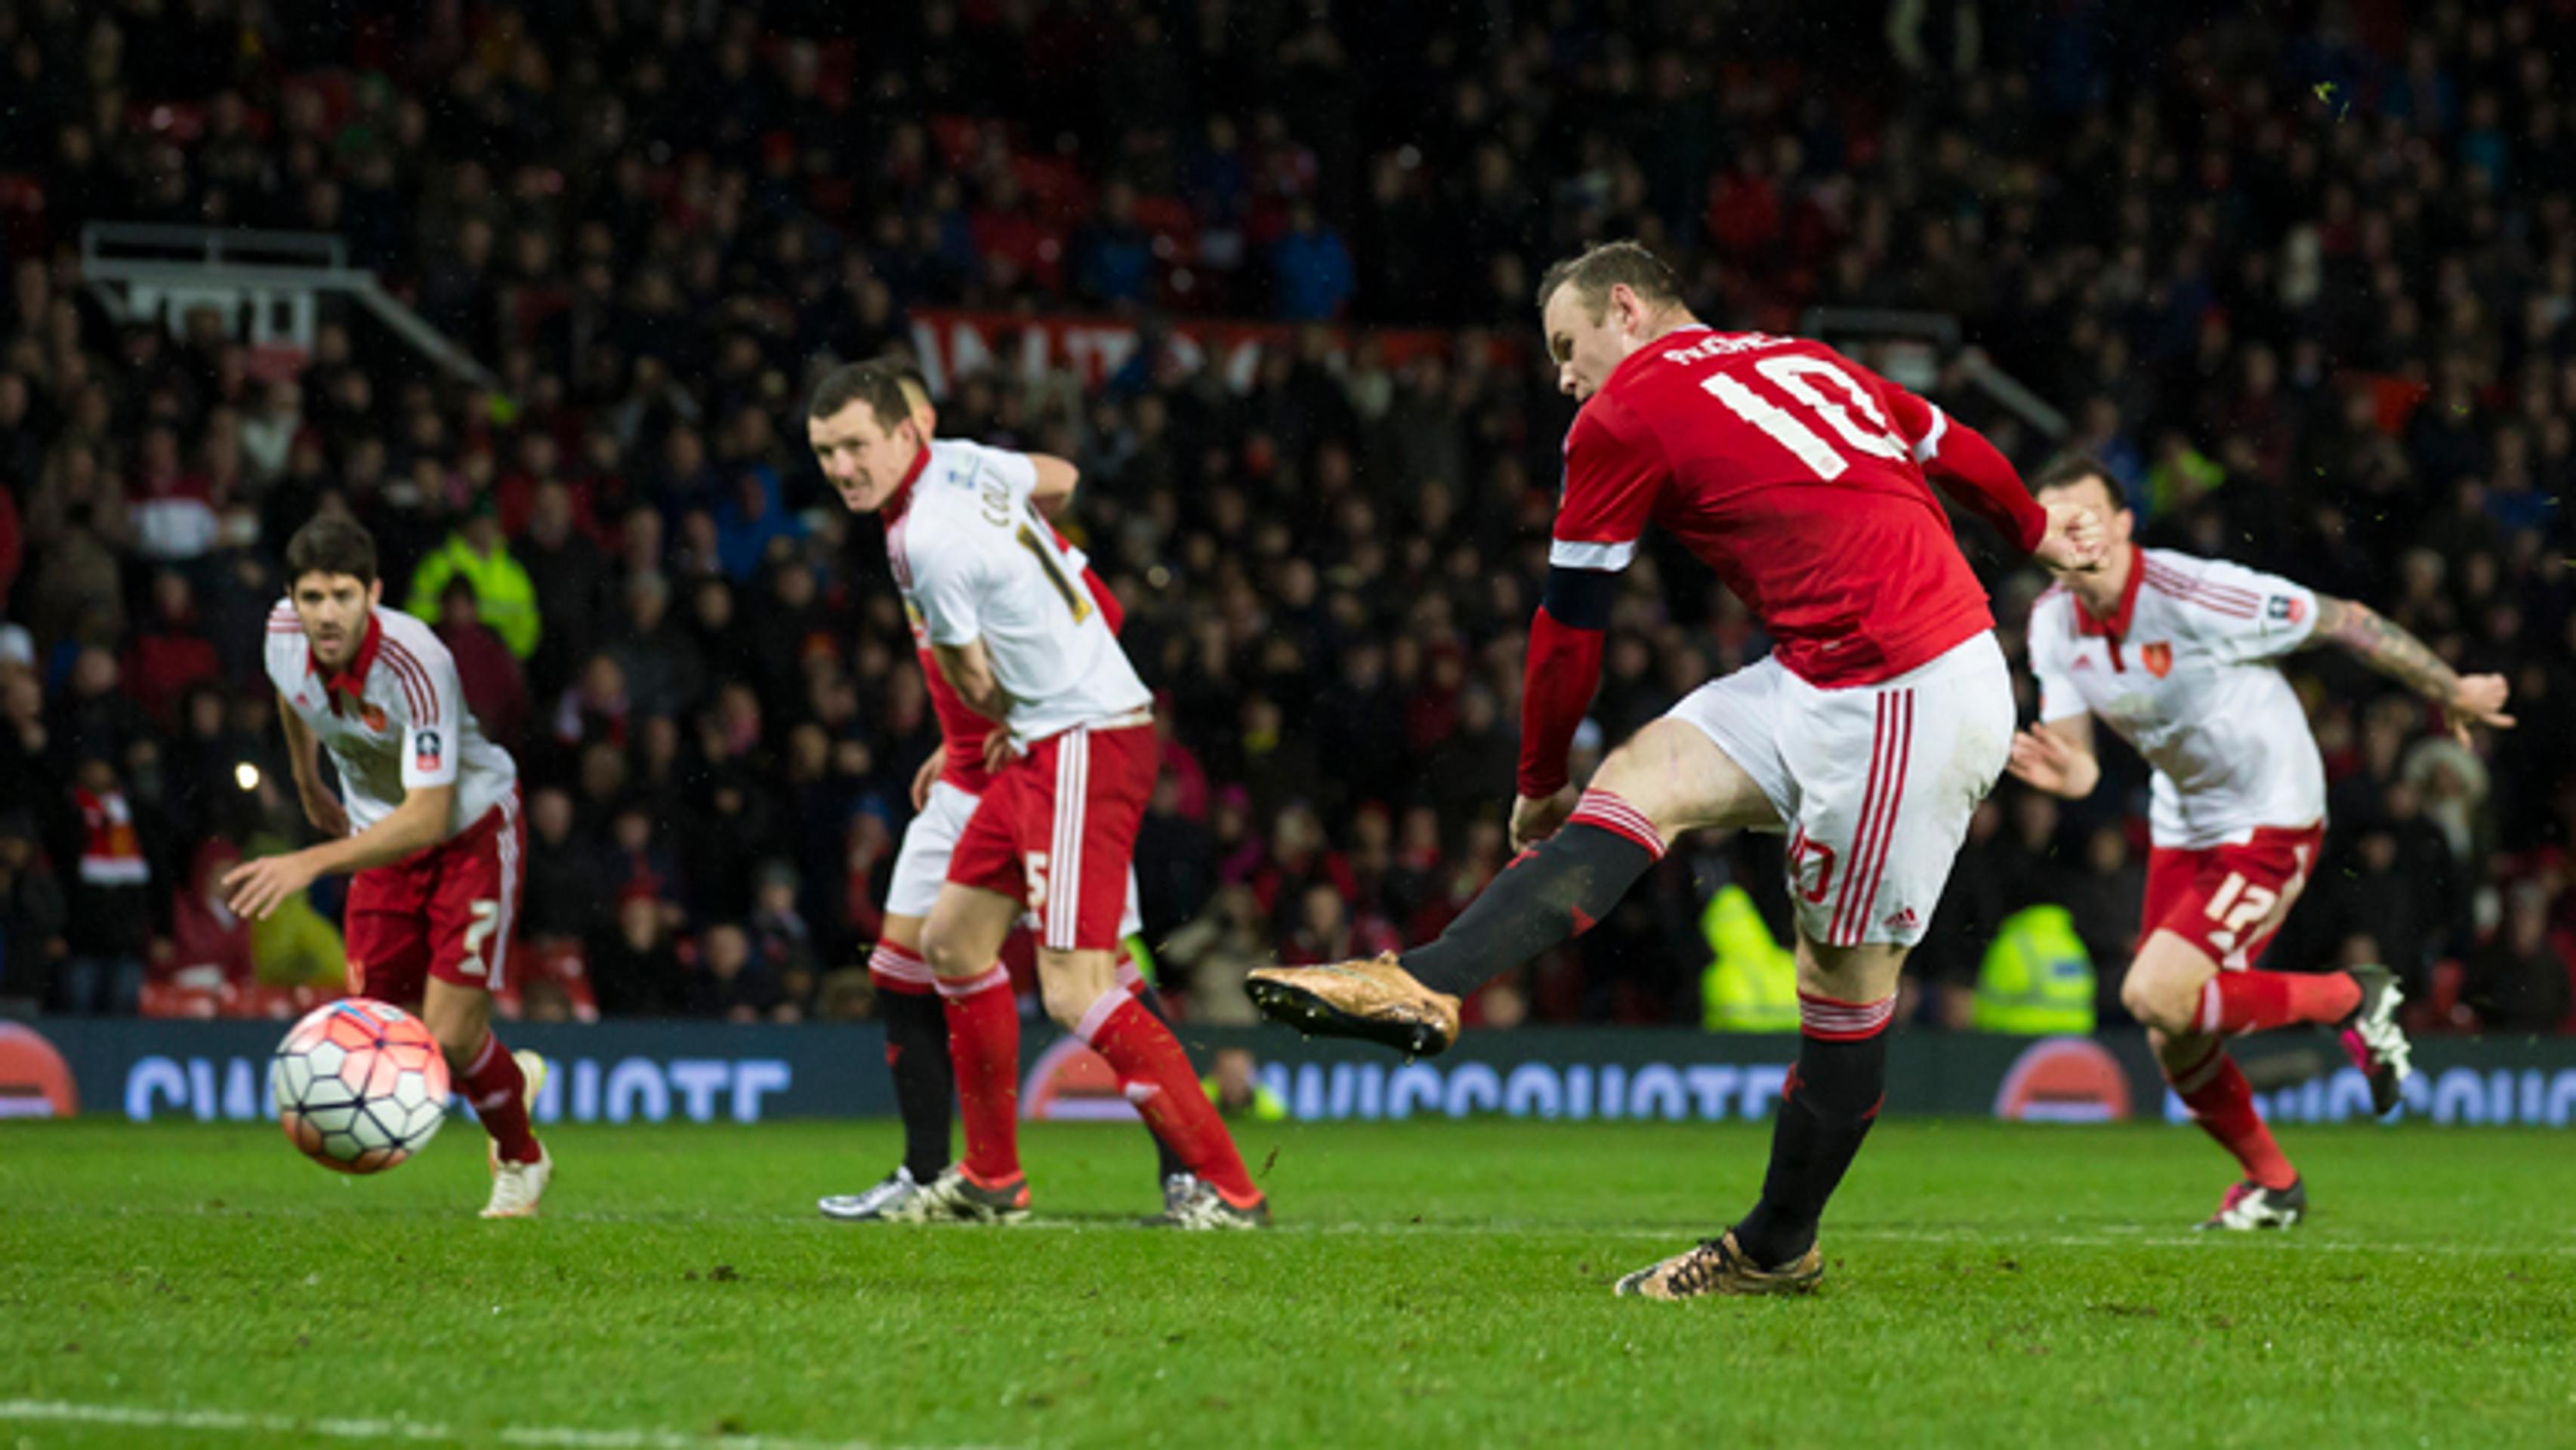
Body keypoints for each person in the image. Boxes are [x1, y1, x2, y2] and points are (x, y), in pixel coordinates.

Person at [1248, 240, 2102, 1295]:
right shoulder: (1801, 357)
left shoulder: (1623, 412)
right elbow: (1953, 445)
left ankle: (1774, 1247)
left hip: (1900, 688)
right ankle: (1420, 981)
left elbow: (1568, 623)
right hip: (1821, 671)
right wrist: (2028, 530)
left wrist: (1531, 779)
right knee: (1638, 780)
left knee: (1838, 989)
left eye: (1568, 346)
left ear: (1625, 307)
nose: (1562, 375)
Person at [806, 359, 1266, 1229]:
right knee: (951, 942)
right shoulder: (968, 465)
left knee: (1077, 987)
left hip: (1080, 741)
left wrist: (1008, 678)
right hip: (1049, 744)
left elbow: (975, 682)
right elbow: (1056, 477)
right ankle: (990, 1181)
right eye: (827, 452)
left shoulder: (924, 541)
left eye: (856, 445)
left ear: (908, 433)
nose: (841, 468)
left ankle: (1227, 1187)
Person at [2007, 455, 2503, 1226]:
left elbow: (2344, 619)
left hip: (2272, 808)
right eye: (2052, 520)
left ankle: (2349, 997)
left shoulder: (2196, 594)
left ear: (2125, 524)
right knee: (2173, 1030)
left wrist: (2451, 689)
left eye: (2087, 515)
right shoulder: (2052, 623)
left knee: (2150, 992)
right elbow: (2079, 763)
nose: (2070, 531)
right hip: (2186, 819)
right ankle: (2274, 1183)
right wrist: (2064, 774)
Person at [225, 516, 551, 1218]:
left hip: (468, 832)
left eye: (343, 595)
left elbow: (428, 816)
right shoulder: (282, 635)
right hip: (380, 840)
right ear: (291, 599)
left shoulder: (417, 662)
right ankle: (506, 1076)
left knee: (455, 1034)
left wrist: (309, 862)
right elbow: (292, 692)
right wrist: (307, 780)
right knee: (388, 1034)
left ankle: (522, 1159)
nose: (327, 614)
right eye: (312, 597)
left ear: (372, 593)